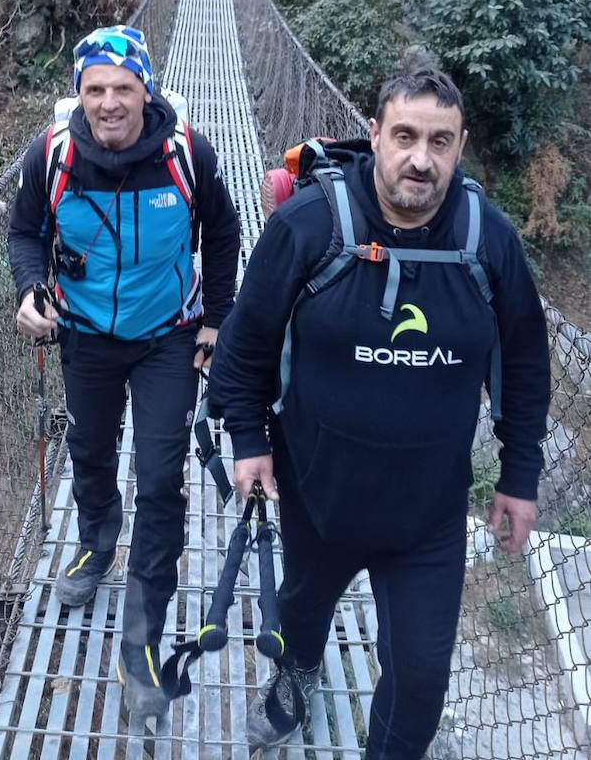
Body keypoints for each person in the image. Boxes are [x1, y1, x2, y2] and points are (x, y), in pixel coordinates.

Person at [207, 55, 550, 759]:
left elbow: (522, 362)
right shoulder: (308, 226)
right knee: (299, 620)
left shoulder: (488, 240)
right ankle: (297, 672)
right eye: (404, 136)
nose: (419, 159)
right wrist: (248, 439)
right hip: (313, 494)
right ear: (374, 134)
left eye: (439, 141)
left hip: (425, 517)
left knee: (421, 682)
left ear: (459, 145)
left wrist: (518, 476)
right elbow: (243, 344)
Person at [9, 25, 240, 718]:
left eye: (123, 88)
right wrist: (27, 289)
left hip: (167, 337)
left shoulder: (185, 155)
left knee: (162, 478)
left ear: (146, 90)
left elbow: (223, 232)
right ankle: (95, 541)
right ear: (79, 95)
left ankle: (141, 638)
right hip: (83, 335)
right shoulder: (48, 157)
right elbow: (24, 233)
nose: (110, 103)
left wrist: (215, 319)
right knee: (89, 450)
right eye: (95, 90)